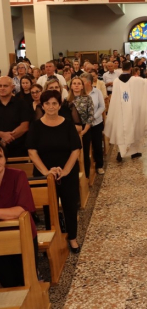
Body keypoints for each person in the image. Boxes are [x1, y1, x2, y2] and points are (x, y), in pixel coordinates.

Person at [26, 90, 82, 253]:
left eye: (54, 103)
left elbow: (75, 150)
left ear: (59, 105)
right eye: (47, 104)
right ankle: (55, 237)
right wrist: (46, 172)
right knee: (49, 207)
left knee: (70, 205)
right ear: (42, 106)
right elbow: (32, 151)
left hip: (67, 171)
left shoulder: (67, 123)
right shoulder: (36, 126)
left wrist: (64, 171)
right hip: (44, 172)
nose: (51, 107)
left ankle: (72, 238)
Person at [0, 144, 38, 287]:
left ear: (5, 158)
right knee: (8, 284)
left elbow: (23, 209)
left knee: (23, 281)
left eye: (0, 157)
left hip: (22, 234)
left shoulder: (17, 175)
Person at [104, 61, 147, 161]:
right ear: (131, 68)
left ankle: (120, 152)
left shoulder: (116, 81)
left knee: (121, 131)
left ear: (121, 68)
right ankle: (134, 152)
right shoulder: (135, 80)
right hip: (132, 110)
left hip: (120, 110)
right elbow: (146, 82)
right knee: (135, 129)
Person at [67, 76, 94, 178]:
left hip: (84, 128)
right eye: (74, 84)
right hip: (71, 129)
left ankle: (86, 176)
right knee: (72, 153)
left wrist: (84, 131)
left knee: (84, 152)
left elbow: (90, 116)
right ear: (71, 86)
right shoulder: (67, 100)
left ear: (82, 86)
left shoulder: (87, 98)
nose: (76, 86)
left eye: (79, 84)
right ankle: (74, 175)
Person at [80, 73, 105, 175]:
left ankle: (99, 165)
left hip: (96, 123)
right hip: (83, 124)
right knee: (84, 147)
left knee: (97, 145)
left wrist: (92, 117)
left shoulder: (97, 92)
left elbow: (102, 106)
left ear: (89, 83)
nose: (81, 84)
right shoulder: (79, 93)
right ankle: (86, 169)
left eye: (83, 81)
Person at [0, 76, 30, 158]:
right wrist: (2, 135)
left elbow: (25, 126)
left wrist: (7, 138)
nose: (2, 88)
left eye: (5, 86)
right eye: (0, 86)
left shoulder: (21, 103)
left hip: (19, 148)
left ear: (12, 87)